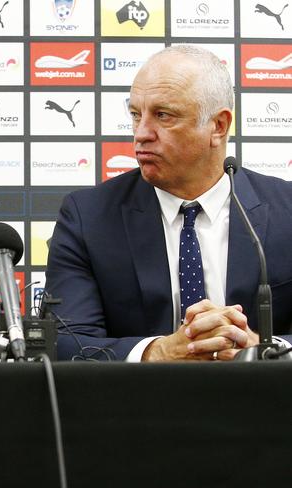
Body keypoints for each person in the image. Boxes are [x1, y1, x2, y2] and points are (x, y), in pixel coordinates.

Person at [46, 45, 292, 361]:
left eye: (163, 115)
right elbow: (62, 343)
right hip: (140, 407)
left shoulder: (286, 212)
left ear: (218, 126)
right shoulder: (88, 217)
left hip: (263, 406)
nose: (141, 134)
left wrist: (265, 349)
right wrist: (156, 352)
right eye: (136, 114)